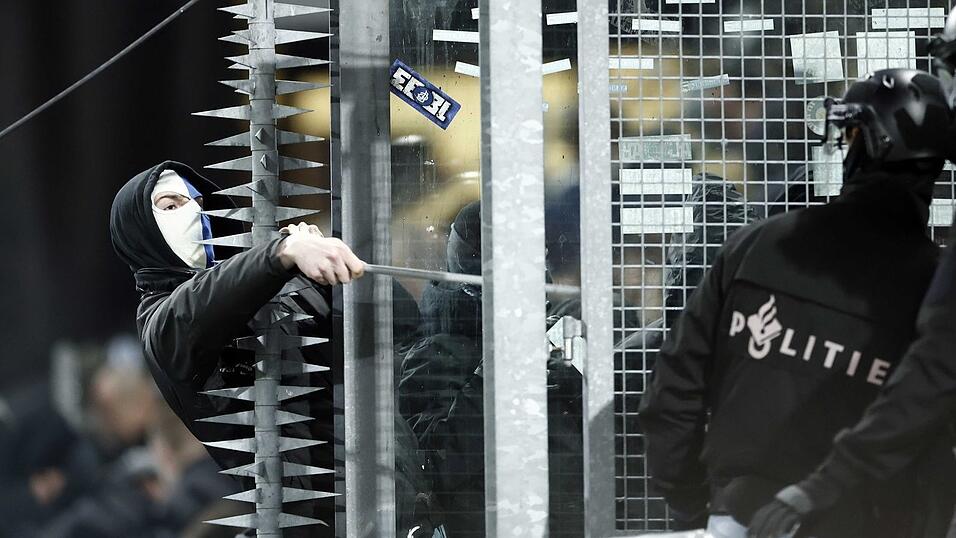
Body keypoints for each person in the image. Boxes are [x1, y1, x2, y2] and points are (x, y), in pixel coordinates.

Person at [638, 68, 956, 538]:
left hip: (744, 516)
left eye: (849, 135)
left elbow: (674, 393)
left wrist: (695, 505)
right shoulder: (938, 288)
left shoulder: (757, 246)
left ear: (867, 144)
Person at [109, 161, 365, 534]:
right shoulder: (161, 326)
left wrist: (321, 275)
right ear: (140, 232)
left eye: (198, 200)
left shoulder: (268, 293)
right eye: (170, 204)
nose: (196, 211)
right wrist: (283, 252)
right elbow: (199, 304)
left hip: (372, 496)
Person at [397, 201, 584, 537]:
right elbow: (432, 467)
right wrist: (493, 377)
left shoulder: (554, 334)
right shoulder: (436, 354)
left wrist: (577, 381)